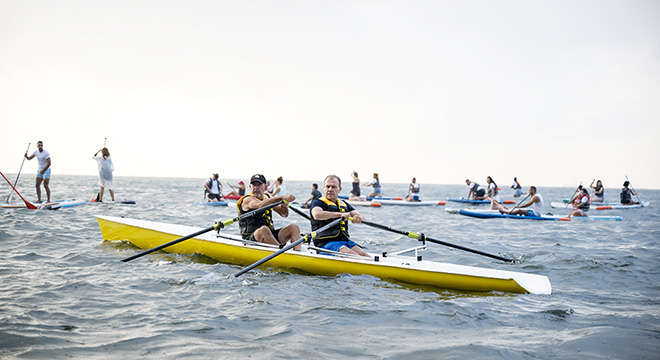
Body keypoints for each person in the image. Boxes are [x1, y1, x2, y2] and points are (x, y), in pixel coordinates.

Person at [310, 175, 369, 257]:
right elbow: (317, 215)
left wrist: (358, 217)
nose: (330, 189)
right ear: (324, 188)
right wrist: (340, 214)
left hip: (345, 241)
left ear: (339, 189)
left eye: (333, 187)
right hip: (325, 244)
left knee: (365, 256)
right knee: (355, 257)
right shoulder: (317, 202)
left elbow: (360, 216)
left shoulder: (344, 203)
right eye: (327, 186)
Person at [236, 174, 301, 250]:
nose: (256, 188)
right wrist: (280, 198)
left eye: (259, 185)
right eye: (254, 185)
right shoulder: (247, 199)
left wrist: (284, 205)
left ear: (265, 187)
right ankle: (281, 254)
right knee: (264, 229)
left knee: (294, 227)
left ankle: (297, 253)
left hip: (270, 236)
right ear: (250, 187)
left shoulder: (268, 197)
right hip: (251, 239)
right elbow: (260, 205)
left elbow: (284, 214)